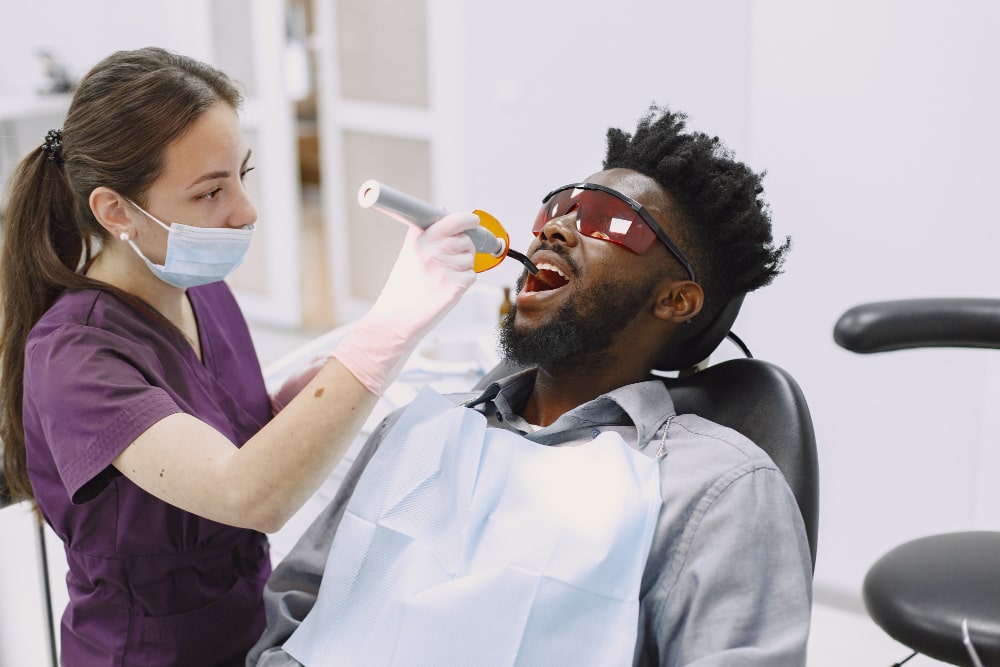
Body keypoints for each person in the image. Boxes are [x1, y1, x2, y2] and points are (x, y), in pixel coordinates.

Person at [248, 104, 811, 666]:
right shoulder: (416, 431)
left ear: (674, 300)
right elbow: (298, 610)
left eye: (609, 220)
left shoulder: (717, 488)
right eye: (559, 208)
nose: (556, 228)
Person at [0, 47, 479, 666]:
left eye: (243, 175)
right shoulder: (75, 356)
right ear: (115, 211)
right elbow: (249, 493)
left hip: (251, 631)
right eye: (209, 193)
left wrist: (303, 397)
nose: (245, 211)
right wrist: (382, 333)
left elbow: (221, 425)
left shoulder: (200, 291)